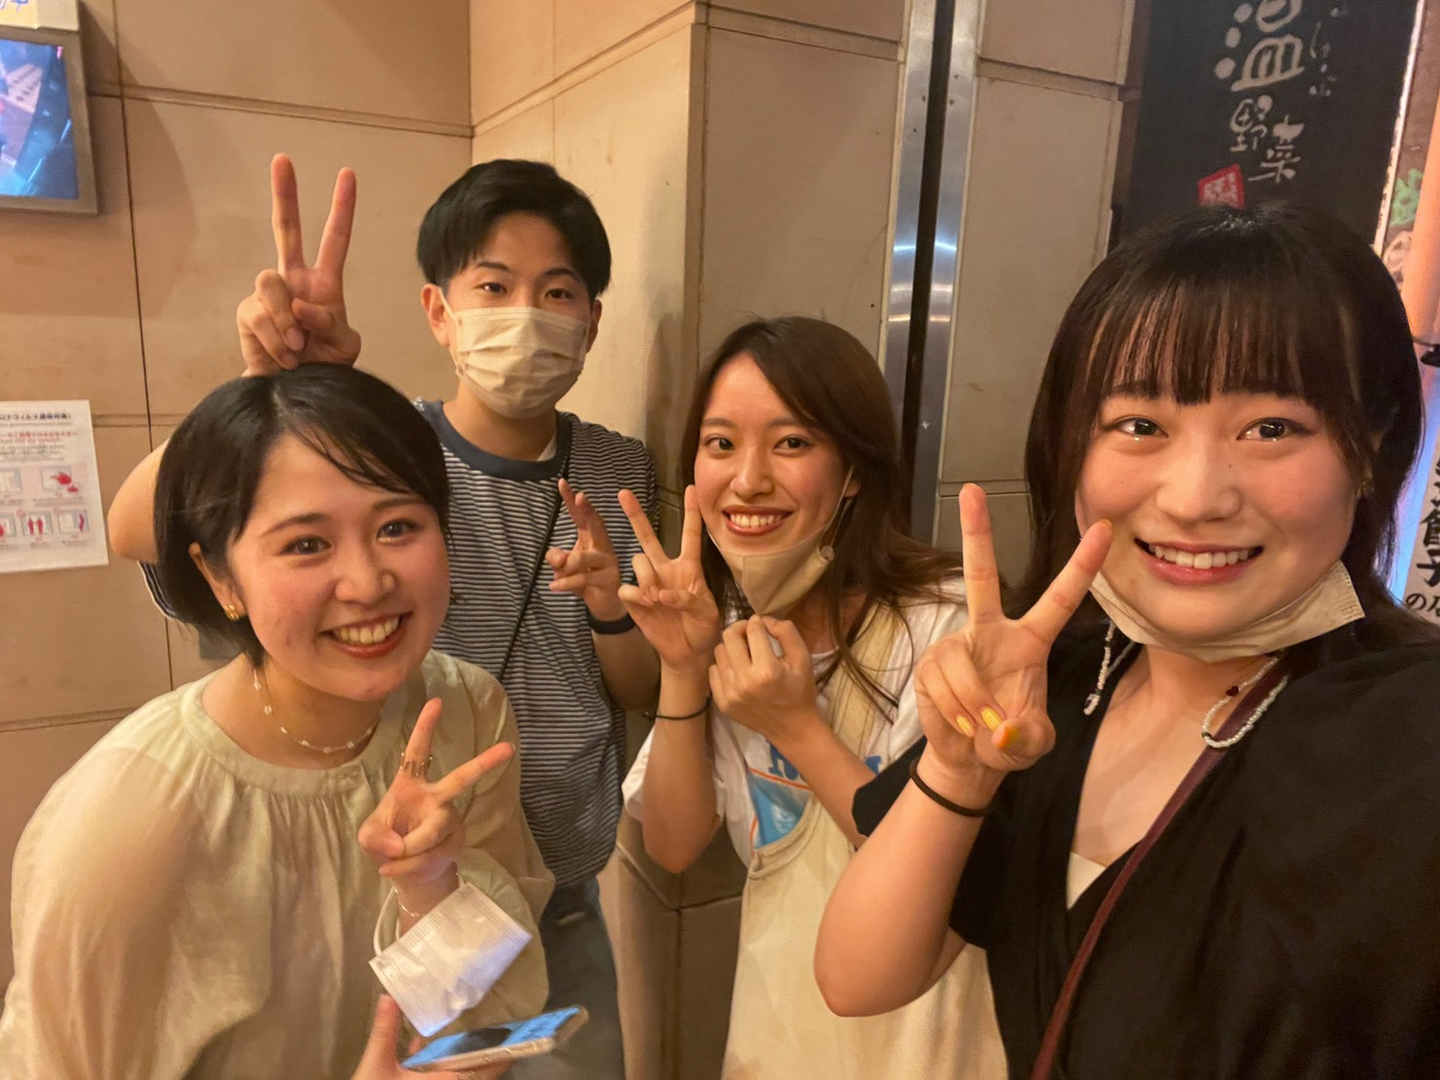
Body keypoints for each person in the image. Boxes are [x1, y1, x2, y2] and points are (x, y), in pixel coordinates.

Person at [815, 203, 1440, 1078]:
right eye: (1140, 425)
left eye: (1272, 428)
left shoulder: (1411, 735)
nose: (1194, 497)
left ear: (1370, 448)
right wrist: (958, 771)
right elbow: (858, 979)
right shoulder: (1062, 686)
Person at [106, 156, 659, 1078]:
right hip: (397, 889)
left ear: (592, 319)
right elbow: (136, 530)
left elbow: (638, 687)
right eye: (494, 287)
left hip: (562, 882)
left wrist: (609, 609)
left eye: (557, 291)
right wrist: (270, 391)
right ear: (440, 311)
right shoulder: (381, 453)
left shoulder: (621, 468)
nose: (527, 314)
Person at [3, 365, 551, 1079]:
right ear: (221, 578)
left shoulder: (466, 712)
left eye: (397, 527)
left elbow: (485, 1022)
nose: (368, 583)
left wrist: (430, 893)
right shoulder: (128, 824)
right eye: (306, 544)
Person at [617, 317, 1006, 1079]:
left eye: (791, 443)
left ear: (854, 471)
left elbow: (941, 882)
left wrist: (796, 728)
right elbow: (673, 845)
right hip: (779, 1032)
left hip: (924, 1041)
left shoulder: (947, 625)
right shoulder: (728, 629)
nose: (747, 480)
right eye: (720, 443)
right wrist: (683, 667)